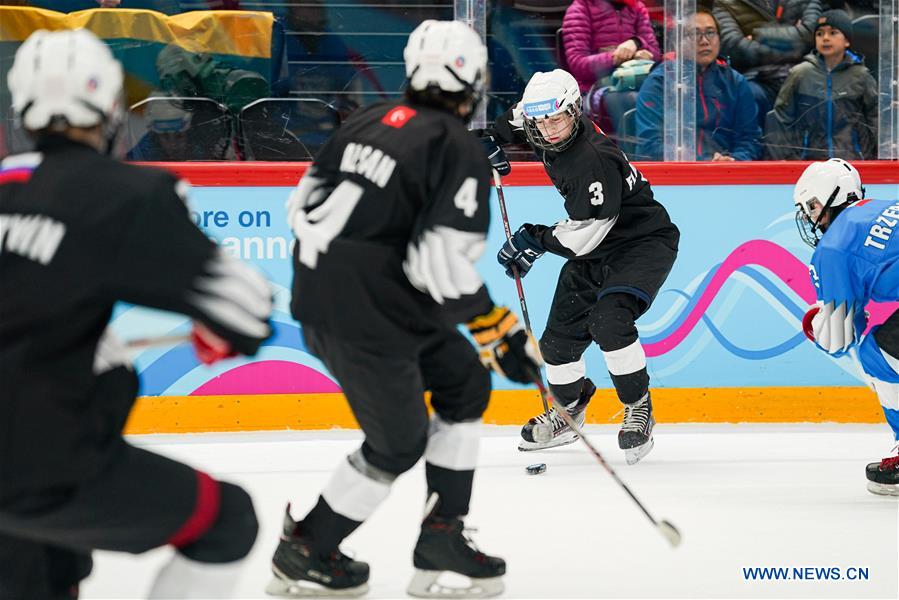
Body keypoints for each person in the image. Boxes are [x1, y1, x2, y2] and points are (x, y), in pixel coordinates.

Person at [267, 20, 542, 598]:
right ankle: (307, 549)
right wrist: (495, 327)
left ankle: (441, 534)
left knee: (464, 382)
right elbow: (437, 260)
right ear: (472, 79)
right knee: (396, 444)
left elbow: (300, 207)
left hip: (348, 302)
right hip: (370, 315)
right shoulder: (454, 145)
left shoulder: (365, 122)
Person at [0, 29, 273, 599]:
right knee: (227, 520)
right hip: (37, 463)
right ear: (109, 109)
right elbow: (245, 309)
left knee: (41, 567)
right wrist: (218, 330)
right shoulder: (128, 194)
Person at [482, 68, 679, 463]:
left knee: (609, 321)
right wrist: (485, 141)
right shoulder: (540, 116)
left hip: (639, 242)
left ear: (575, 110)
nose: (549, 130)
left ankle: (638, 406)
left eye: (557, 119)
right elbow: (515, 120)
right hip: (595, 244)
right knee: (557, 341)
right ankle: (569, 410)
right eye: (541, 122)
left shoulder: (592, 159)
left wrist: (532, 239)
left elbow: (585, 234)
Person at [794, 159, 899, 497]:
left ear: (828, 198)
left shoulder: (833, 247)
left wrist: (818, 323)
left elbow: (839, 336)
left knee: (875, 353)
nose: (811, 216)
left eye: (811, 206)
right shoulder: (885, 206)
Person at [636, 8, 762, 162]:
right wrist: (702, 162)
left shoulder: (735, 82)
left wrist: (734, 160)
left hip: (727, 174)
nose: (704, 41)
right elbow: (650, 144)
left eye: (710, 33)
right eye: (695, 34)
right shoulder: (659, 82)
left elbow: (750, 140)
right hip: (677, 174)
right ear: (678, 42)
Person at [765, 9, 877, 160]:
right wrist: (785, 159)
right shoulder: (800, 74)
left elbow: (875, 119)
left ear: (847, 41)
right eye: (819, 34)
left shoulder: (861, 76)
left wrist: (871, 158)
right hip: (807, 164)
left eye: (833, 33)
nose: (825, 38)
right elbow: (781, 119)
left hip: (852, 162)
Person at [713, 0, 823, 127]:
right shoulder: (725, 3)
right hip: (758, 78)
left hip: (803, 73)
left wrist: (759, 35)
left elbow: (810, 34)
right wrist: (793, 40)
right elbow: (736, 46)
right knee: (747, 96)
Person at [562, 0, 660, 94]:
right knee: (631, 100)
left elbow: (655, 54)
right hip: (594, 89)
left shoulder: (637, 7)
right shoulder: (580, 8)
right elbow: (578, 65)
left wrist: (636, 42)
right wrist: (617, 57)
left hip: (638, 83)